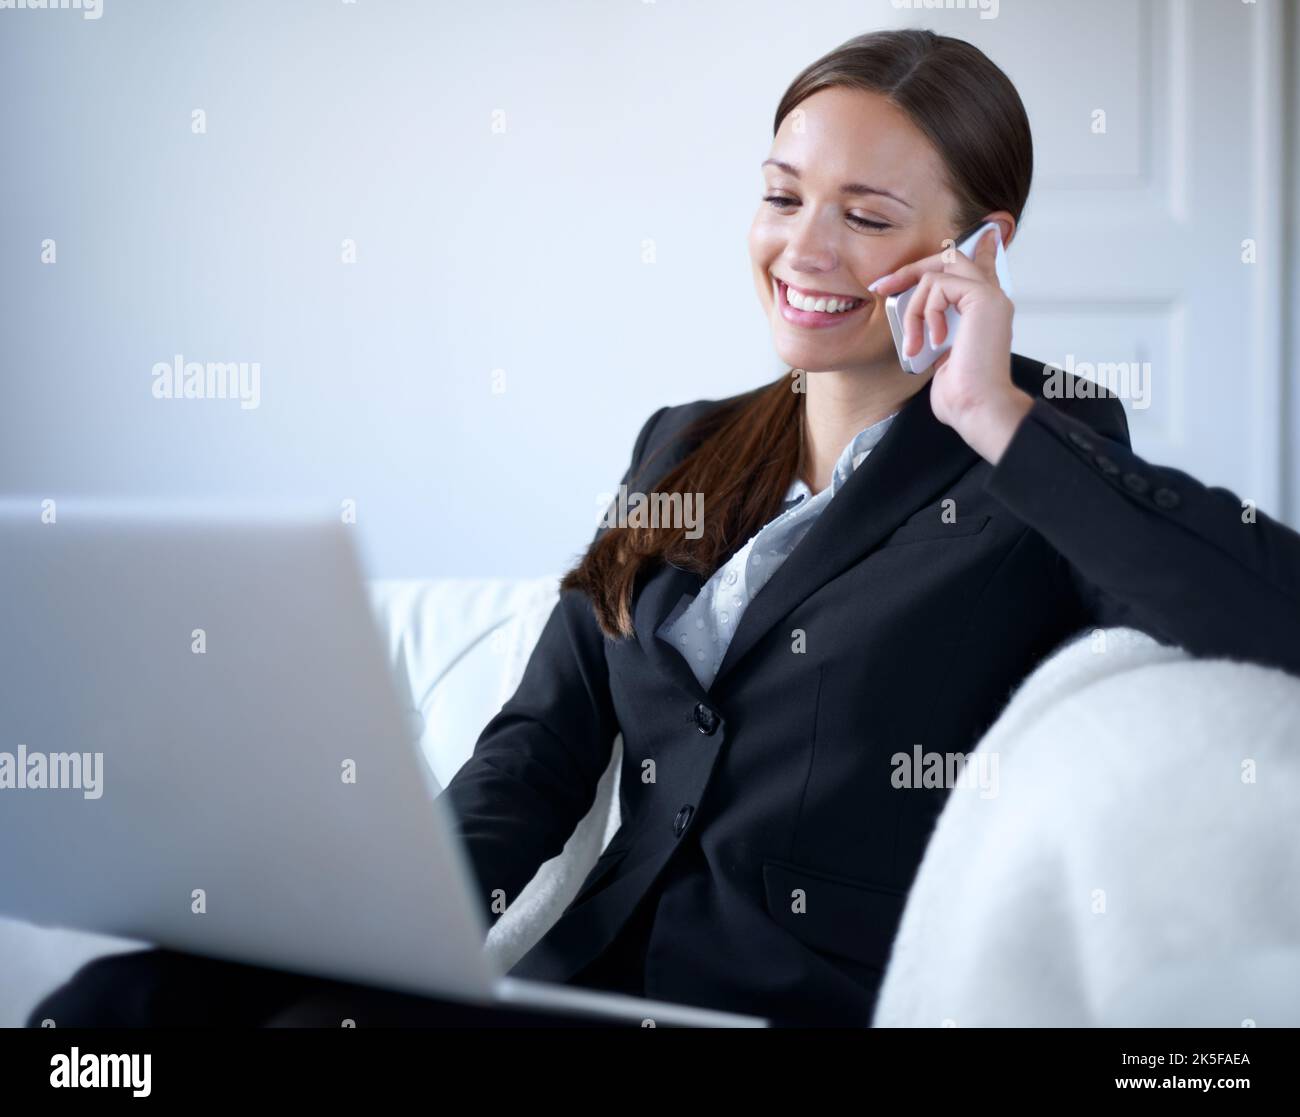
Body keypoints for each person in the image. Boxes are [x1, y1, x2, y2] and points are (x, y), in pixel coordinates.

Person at [31, 27, 1300, 1029]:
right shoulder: (685, 445)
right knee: (120, 1007)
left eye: (864, 216)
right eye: (780, 195)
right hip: (582, 982)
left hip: (780, 1008)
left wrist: (989, 407)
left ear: (980, 242)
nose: (804, 249)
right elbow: (535, 758)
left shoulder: (1044, 447)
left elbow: (1267, 615)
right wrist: (366, 935)